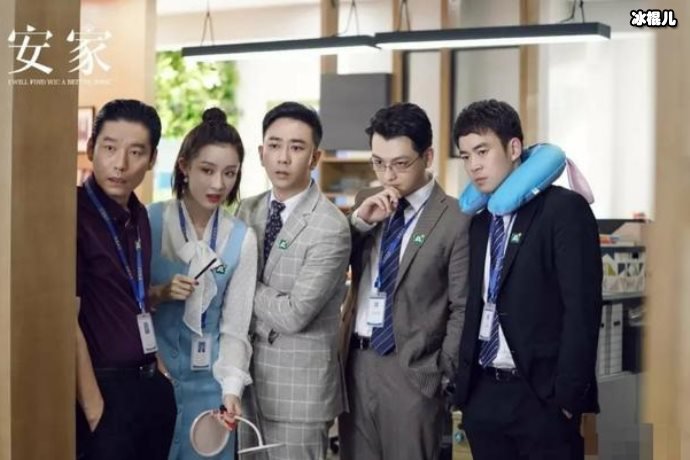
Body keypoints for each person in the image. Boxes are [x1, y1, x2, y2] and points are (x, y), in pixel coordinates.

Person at [452, 99, 602, 459]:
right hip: (483, 394)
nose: (473, 165)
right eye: (465, 156)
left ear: (514, 148)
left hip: (542, 398)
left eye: (483, 151)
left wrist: (567, 399)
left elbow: (582, 309)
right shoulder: (480, 221)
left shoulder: (563, 209)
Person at [337, 102, 470, 460]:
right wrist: (359, 223)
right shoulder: (367, 201)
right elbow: (331, 264)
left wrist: (440, 375)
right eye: (378, 163)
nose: (388, 175)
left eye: (400, 164)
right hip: (356, 363)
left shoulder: (456, 217)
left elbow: (462, 306)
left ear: (427, 157)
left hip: (412, 369)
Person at [237, 101, 351, 459]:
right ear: (261, 152)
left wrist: (239, 283)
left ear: (315, 158)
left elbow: (294, 314)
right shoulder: (246, 209)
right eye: (274, 145)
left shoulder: (330, 225)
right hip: (244, 385)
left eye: (297, 147)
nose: (283, 157)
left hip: (298, 396)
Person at [147, 108, 257, 459]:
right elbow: (127, 303)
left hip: (210, 389)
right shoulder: (150, 221)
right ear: (184, 166)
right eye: (207, 170)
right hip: (153, 381)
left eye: (229, 173)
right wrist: (161, 293)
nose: (218, 184)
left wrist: (232, 389)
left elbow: (235, 327)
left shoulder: (242, 238)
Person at [76, 99, 176, 460]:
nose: (120, 164)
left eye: (136, 152)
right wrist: (95, 412)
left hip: (149, 388)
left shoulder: (139, 216)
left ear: (152, 159)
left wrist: (160, 373)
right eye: (109, 148)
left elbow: (132, 298)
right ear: (91, 148)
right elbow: (66, 322)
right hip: (104, 395)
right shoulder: (73, 214)